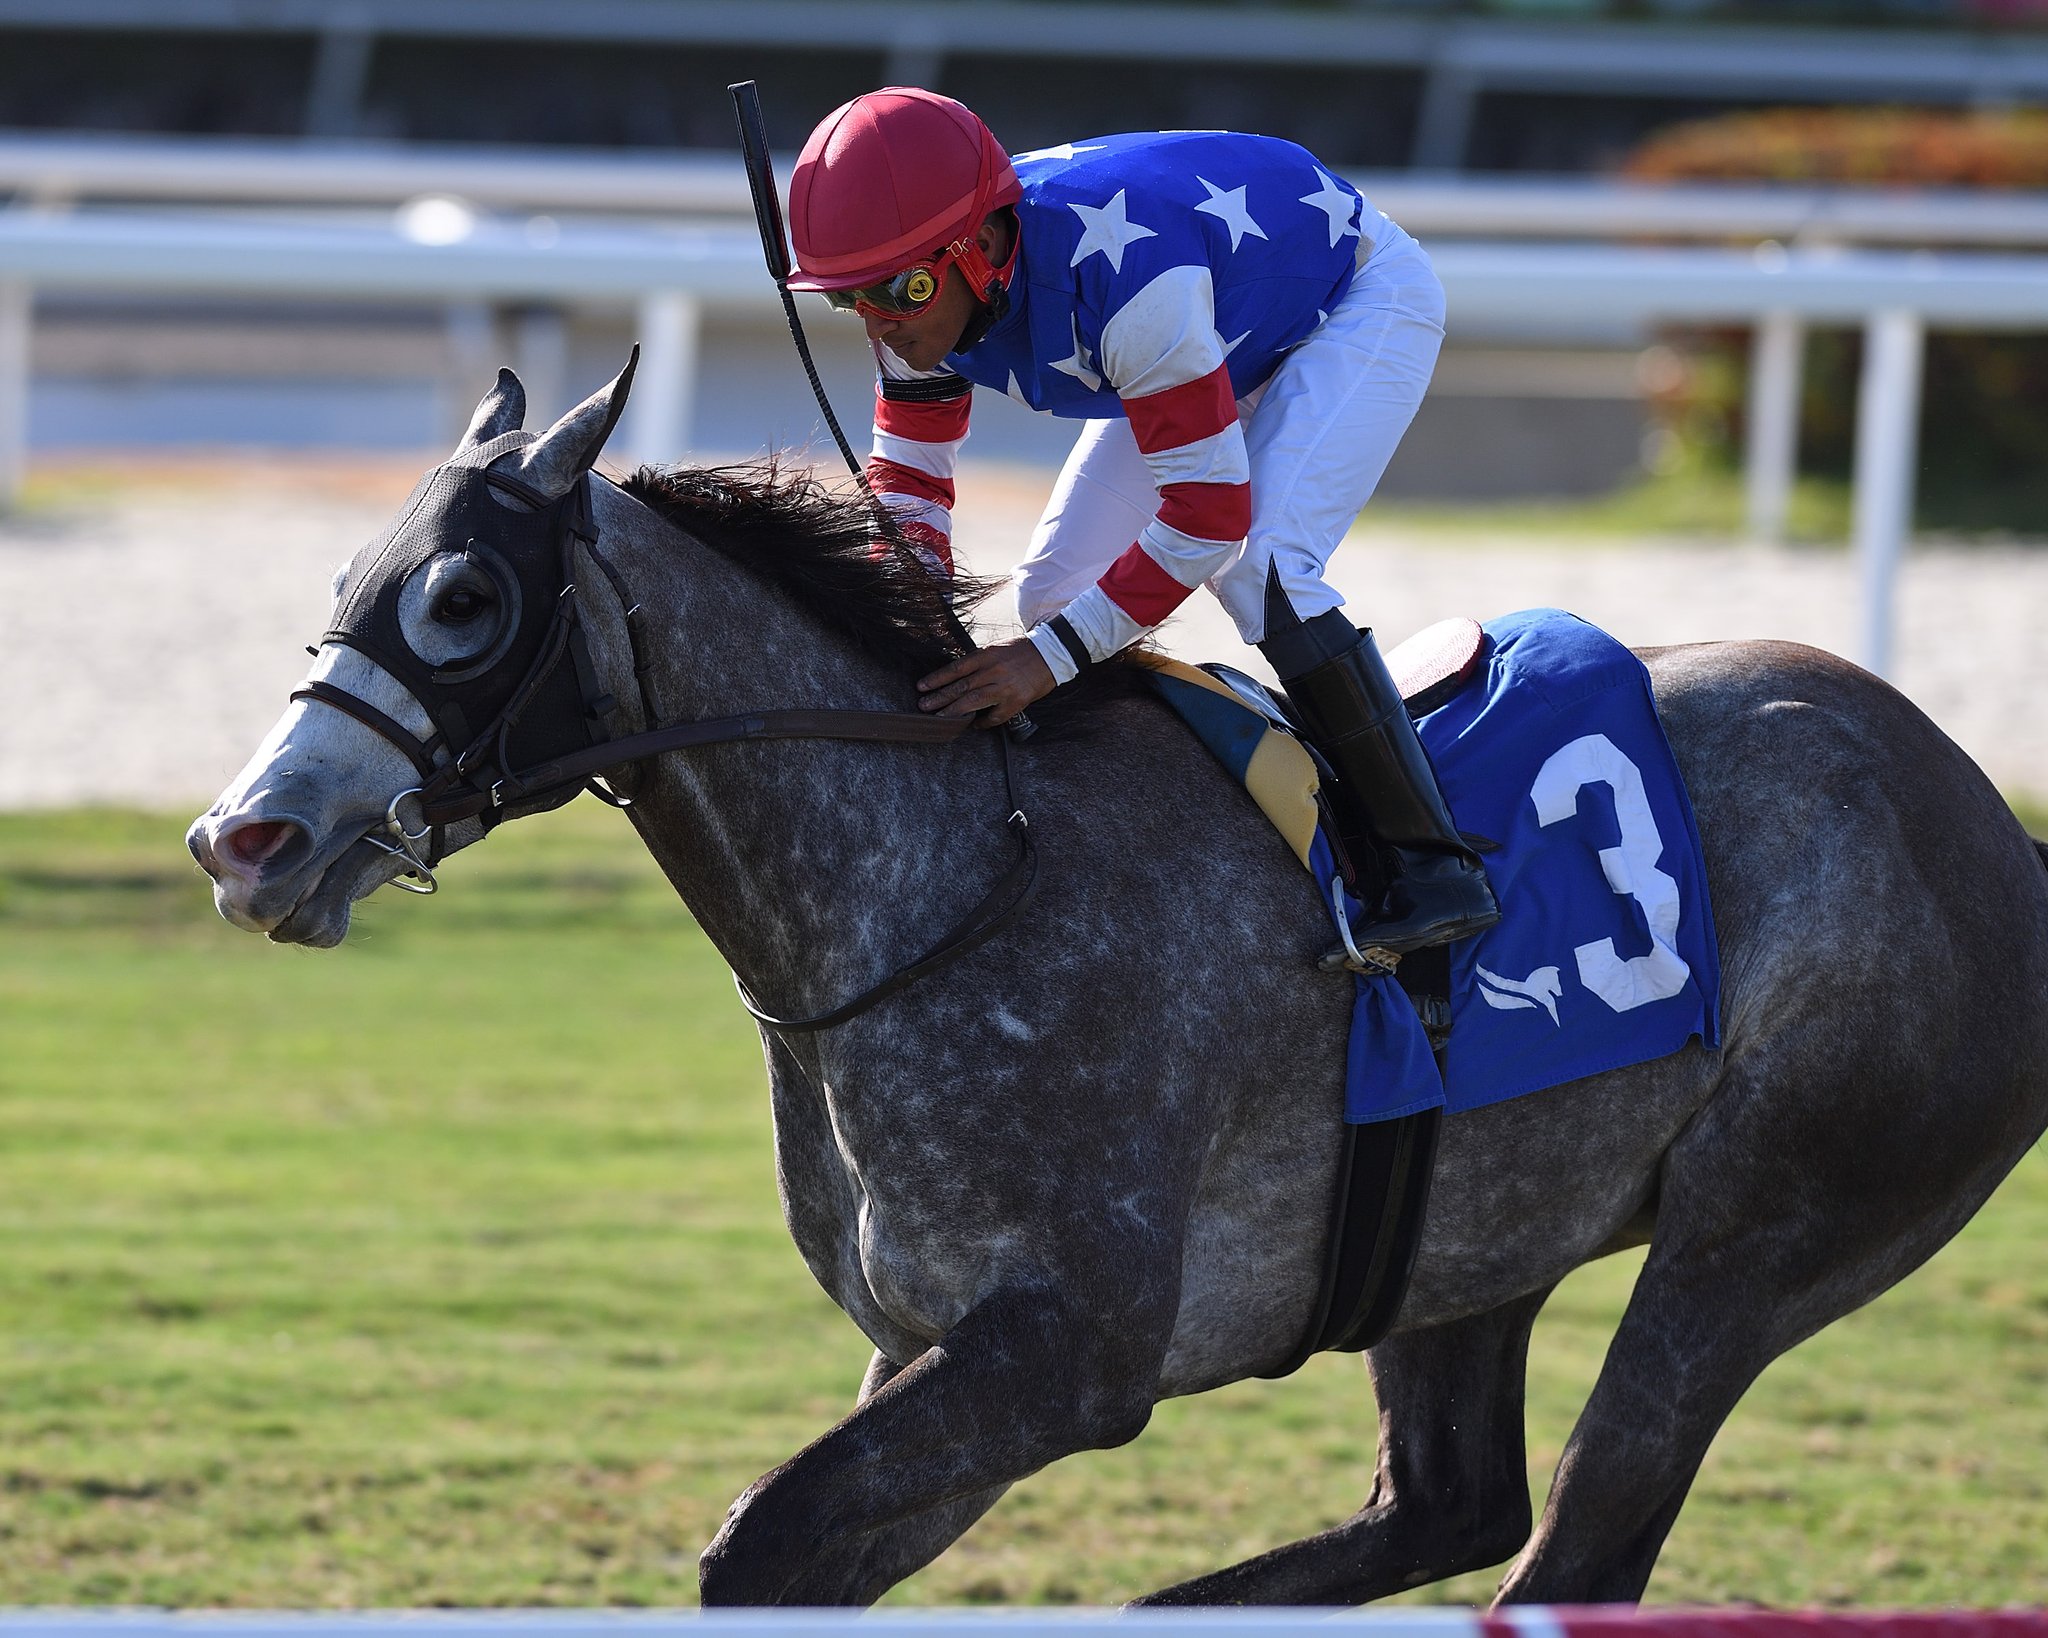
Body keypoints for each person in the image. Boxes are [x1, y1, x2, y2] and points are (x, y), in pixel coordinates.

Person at [784, 87, 1496, 958]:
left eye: (903, 290)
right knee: (1056, 596)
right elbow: (911, 484)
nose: (879, 323)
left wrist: (1041, 664)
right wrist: (903, 621)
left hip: (1351, 300)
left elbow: (1207, 519)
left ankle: (1433, 866)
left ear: (981, 249)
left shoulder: (1131, 289)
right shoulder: (915, 285)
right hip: (1214, 324)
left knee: (1263, 569)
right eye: (849, 299)